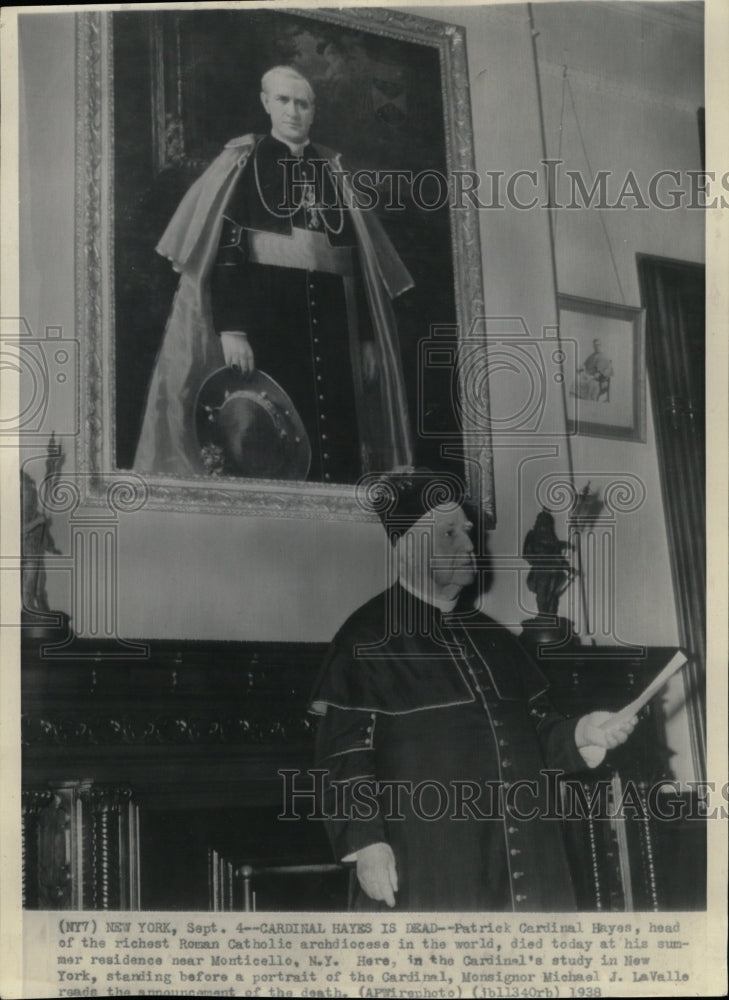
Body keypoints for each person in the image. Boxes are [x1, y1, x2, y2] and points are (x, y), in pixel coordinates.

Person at [309, 471, 637, 911]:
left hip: (529, 859)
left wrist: (584, 733)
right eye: (449, 533)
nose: (468, 546)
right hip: (429, 863)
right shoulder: (365, 637)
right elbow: (343, 757)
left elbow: (535, 735)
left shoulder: (495, 638)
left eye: (467, 532)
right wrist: (367, 845)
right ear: (407, 546)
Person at [134, 65, 413, 482]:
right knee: (276, 435)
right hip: (269, 319)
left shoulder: (334, 170)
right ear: (265, 102)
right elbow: (226, 252)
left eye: (302, 104)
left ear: (313, 111)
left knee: (335, 434)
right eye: (283, 100)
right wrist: (233, 330)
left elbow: (362, 267)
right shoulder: (243, 163)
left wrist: (368, 339)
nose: (293, 112)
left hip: (336, 322)